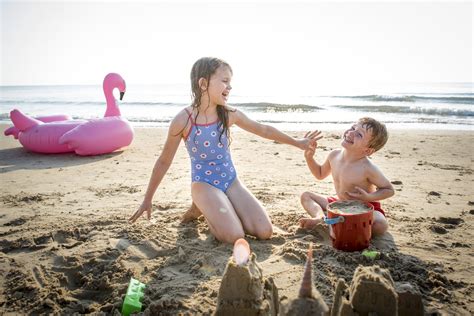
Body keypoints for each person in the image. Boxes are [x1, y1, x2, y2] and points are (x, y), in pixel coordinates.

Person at [129, 57, 321, 244]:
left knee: (265, 232)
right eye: (225, 81)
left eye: (230, 82)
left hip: (231, 181)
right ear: (203, 84)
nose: (229, 87)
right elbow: (164, 161)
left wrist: (298, 142)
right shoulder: (183, 120)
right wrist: (147, 199)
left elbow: (263, 129)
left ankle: (213, 205)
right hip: (203, 183)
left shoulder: (228, 114)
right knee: (235, 236)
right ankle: (202, 206)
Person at [299, 117, 394, 236]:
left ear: (368, 151)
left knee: (380, 225)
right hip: (340, 204)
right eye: (353, 128)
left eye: (359, 134)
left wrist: (369, 196)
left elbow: (389, 190)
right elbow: (319, 174)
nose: (351, 133)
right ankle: (320, 218)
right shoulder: (334, 155)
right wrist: (309, 157)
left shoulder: (368, 168)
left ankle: (340, 224)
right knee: (306, 196)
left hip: (364, 207)